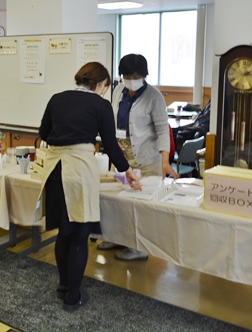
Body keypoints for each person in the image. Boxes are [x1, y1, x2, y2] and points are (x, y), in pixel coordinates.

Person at [39, 62, 141, 312]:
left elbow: (44, 132)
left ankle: (64, 285)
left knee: (63, 232)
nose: (104, 91)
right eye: (105, 86)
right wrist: (127, 171)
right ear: (99, 83)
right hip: (78, 171)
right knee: (79, 234)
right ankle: (73, 297)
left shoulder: (57, 98)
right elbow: (110, 144)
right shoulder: (100, 105)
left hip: (54, 170)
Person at [97, 54, 179, 261]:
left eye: (135, 77)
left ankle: (140, 248)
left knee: (141, 205)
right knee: (118, 201)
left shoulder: (154, 97)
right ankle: (117, 237)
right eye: (127, 76)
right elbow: (112, 120)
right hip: (122, 154)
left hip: (147, 158)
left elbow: (163, 130)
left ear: (144, 75)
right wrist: (113, 141)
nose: (131, 80)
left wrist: (165, 161)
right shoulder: (118, 91)